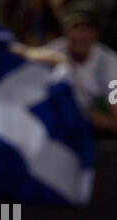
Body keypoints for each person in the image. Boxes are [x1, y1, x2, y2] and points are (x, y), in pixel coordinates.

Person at [45, 0, 117, 135]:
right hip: (58, 128)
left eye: (88, 29)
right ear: (65, 30)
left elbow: (115, 103)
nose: (81, 36)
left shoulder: (110, 62)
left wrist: (108, 121)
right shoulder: (48, 55)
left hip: (95, 135)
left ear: (96, 33)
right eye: (76, 28)